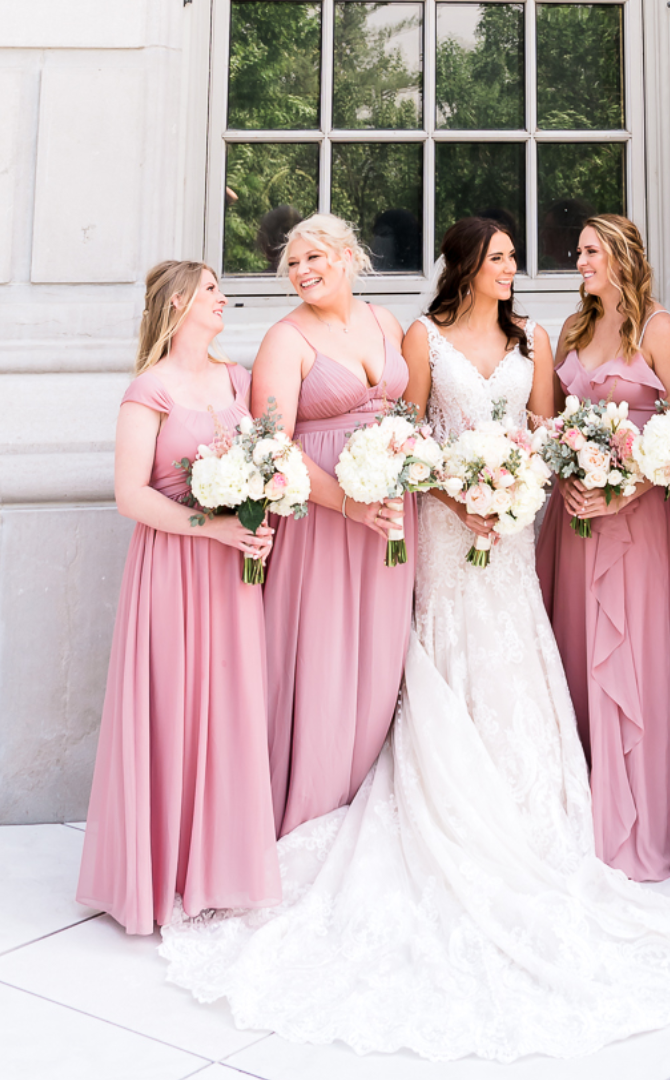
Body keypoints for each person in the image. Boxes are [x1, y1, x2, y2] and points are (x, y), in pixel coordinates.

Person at [159, 218, 670, 1062]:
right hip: (440, 524)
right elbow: (412, 437)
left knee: (514, 652)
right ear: (469, 267)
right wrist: (457, 495)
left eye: (514, 259)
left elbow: (543, 434)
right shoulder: (420, 337)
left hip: (510, 530)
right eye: (501, 258)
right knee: (441, 652)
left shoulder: (537, 338)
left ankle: (530, 817)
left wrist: (511, 493)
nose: (515, 269)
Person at [77, 261, 280, 935]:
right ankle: (154, 871)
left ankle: (216, 871)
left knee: (228, 710)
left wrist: (257, 523)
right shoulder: (149, 390)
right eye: (211, 289)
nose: (223, 297)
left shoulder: (240, 380)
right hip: (171, 569)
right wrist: (209, 526)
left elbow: (268, 467)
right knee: (171, 706)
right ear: (178, 305)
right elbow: (130, 495)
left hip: (232, 574)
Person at [536, 214, 670, 882]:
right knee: (575, 652)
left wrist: (623, 492)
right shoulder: (574, 329)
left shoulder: (659, 330)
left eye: (591, 252)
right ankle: (582, 812)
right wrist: (567, 477)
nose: (580, 262)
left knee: (632, 655)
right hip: (572, 520)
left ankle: (639, 822)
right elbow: (548, 423)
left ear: (623, 256)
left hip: (635, 521)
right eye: (578, 253)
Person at [251, 212, 414, 838]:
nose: (302, 271)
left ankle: (364, 807)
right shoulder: (285, 339)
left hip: (391, 516)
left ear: (348, 257)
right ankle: (310, 808)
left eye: (313, 258)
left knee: (380, 658)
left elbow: (408, 415)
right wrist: (349, 505)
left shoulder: (386, 322)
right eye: (292, 264)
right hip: (321, 519)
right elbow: (273, 446)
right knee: (321, 659)